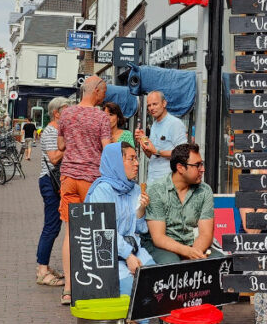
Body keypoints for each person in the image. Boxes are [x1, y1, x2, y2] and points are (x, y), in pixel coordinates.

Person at [56, 76, 111, 305]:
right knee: (95, 232)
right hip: (91, 179)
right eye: (104, 91)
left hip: (68, 176)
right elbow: (107, 150)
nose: (105, 95)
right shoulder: (101, 117)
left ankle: (68, 289)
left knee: (70, 232)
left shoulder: (66, 113)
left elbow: (60, 146)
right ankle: (93, 284)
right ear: (96, 91)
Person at [85, 142, 155, 296]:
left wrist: (141, 209)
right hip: (108, 255)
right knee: (133, 291)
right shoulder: (102, 190)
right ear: (116, 162)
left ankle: (136, 320)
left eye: (136, 158)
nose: (137, 163)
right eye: (131, 159)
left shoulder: (134, 188)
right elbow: (103, 232)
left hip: (133, 248)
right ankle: (130, 320)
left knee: (154, 281)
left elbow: (139, 229)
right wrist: (128, 256)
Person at [141, 142, 216, 265]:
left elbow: (206, 233)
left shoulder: (205, 190)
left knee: (217, 263)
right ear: (180, 168)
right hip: (163, 247)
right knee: (173, 265)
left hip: (193, 245)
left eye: (202, 164)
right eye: (197, 165)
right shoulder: (156, 190)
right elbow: (159, 238)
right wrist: (187, 252)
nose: (202, 169)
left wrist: (194, 253)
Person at [35, 97, 69, 288]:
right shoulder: (50, 131)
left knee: (54, 226)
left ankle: (45, 268)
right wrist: (70, 144)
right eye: (66, 109)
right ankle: (42, 270)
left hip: (56, 181)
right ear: (57, 113)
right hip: (50, 180)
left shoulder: (59, 131)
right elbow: (54, 158)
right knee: (51, 226)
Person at [134, 90, 188, 184]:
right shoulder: (154, 124)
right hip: (152, 179)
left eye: (155, 104)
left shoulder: (175, 124)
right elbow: (151, 155)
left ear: (164, 103)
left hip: (168, 182)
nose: (151, 108)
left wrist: (156, 151)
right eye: (149, 105)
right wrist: (143, 141)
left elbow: (182, 153)